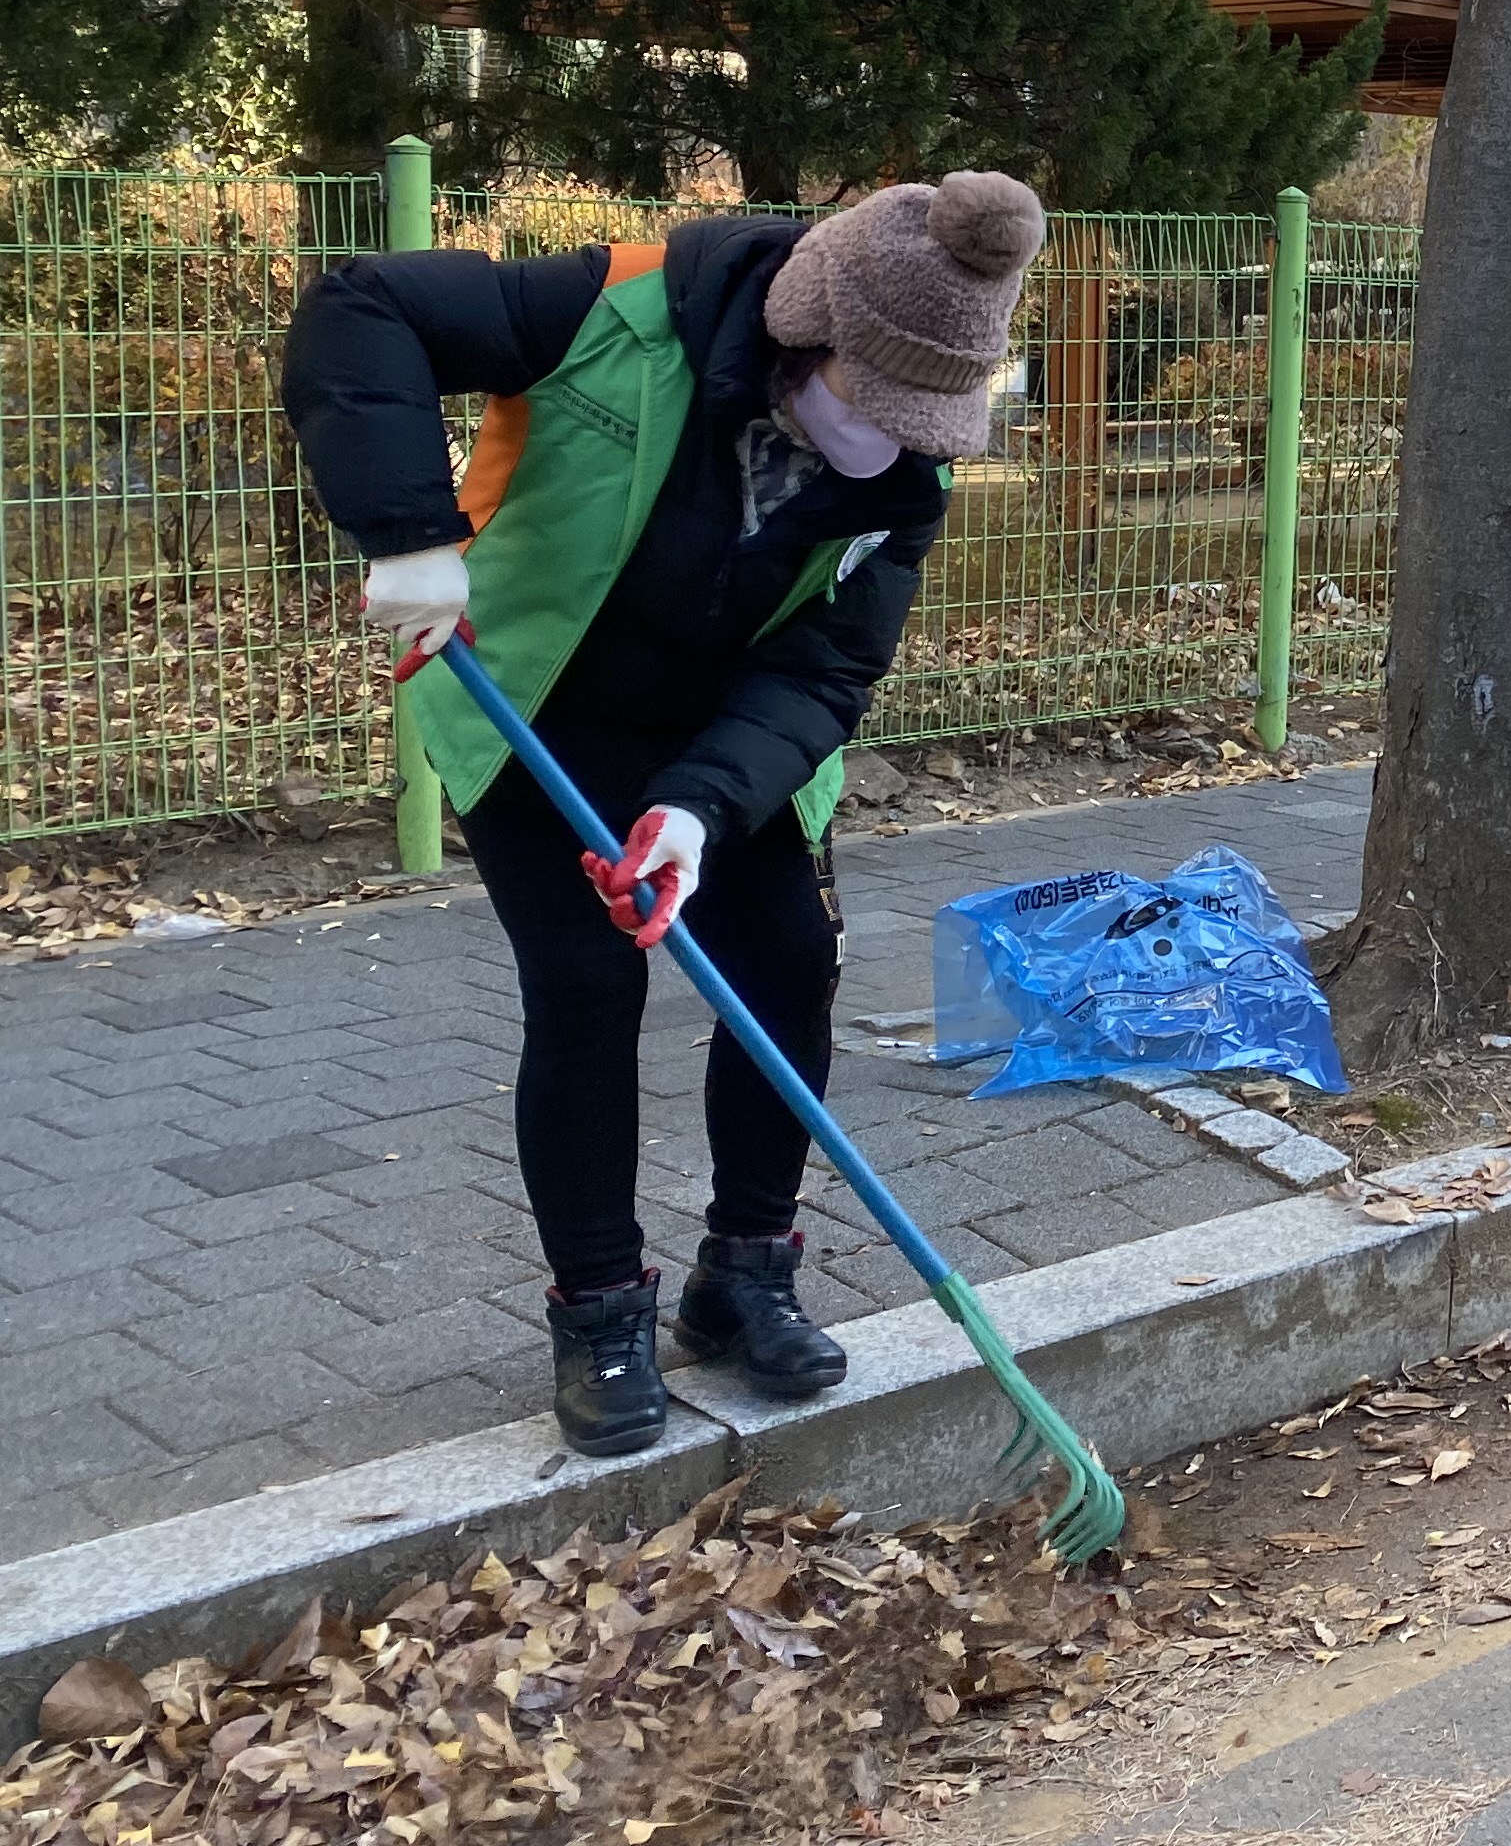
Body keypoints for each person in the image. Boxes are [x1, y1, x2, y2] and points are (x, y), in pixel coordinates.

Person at [283, 176, 1049, 1457]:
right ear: (806, 329)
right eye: (880, 400)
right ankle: (599, 1313)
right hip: (540, 700)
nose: (898, 438)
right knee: (590, 990)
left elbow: (824, 670)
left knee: (791, 963)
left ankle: (743, 1278)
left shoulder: (900, 484)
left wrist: (696, 813)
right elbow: (363, 310)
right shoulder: (616, 307)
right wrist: (408, 531)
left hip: (723, 746)